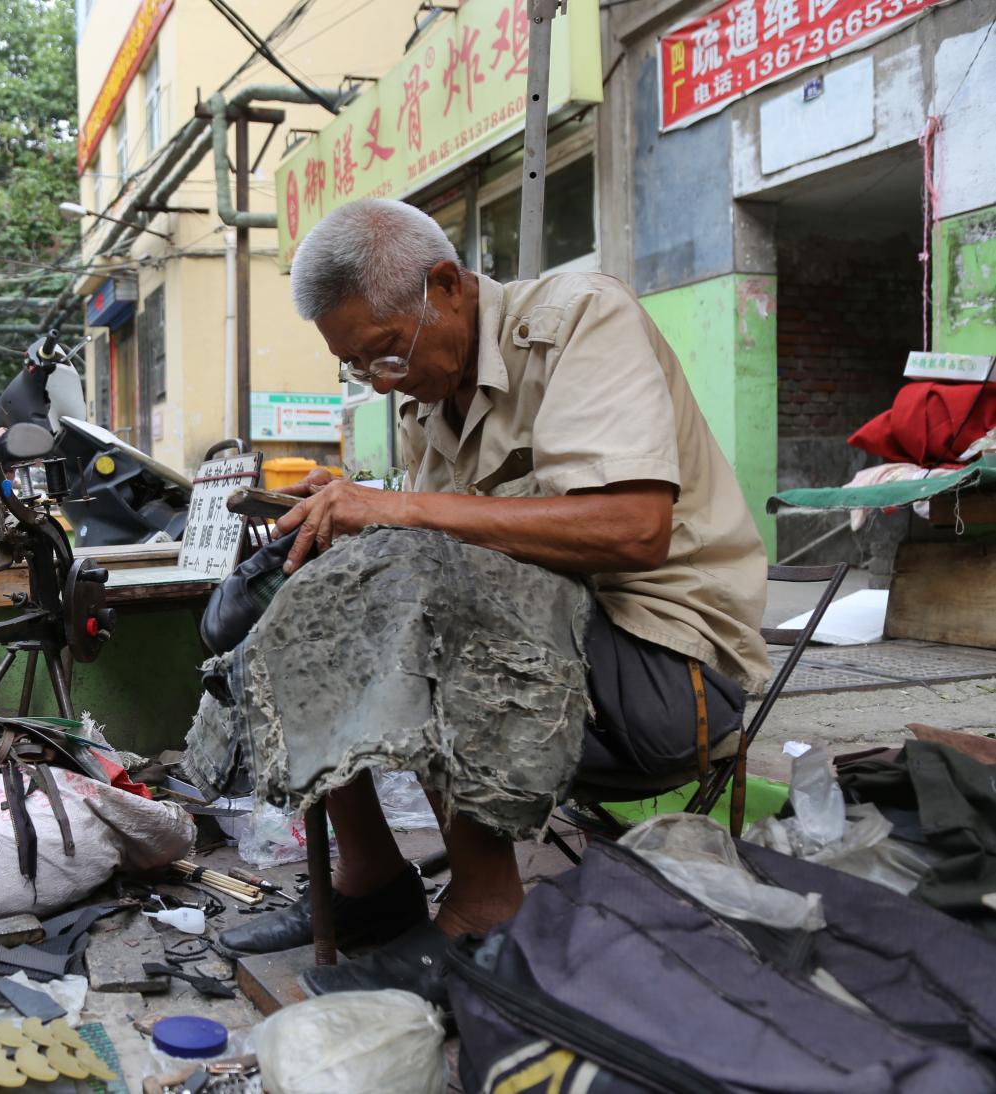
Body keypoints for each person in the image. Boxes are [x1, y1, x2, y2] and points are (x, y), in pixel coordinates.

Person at [200, 199, 769, 1005]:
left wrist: (398, 511)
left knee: (412, 580)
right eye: (358, 367)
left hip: (665, 675)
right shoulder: (426, 396)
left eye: (386, 353)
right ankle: (371, 882)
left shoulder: (579, 319)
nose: (381, 380)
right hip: (562, 662)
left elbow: (633, 529)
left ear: (446, 284)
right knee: (314, 590)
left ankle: (483, 908)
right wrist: (363, 505)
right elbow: (464, 525)